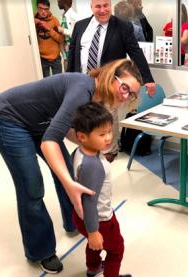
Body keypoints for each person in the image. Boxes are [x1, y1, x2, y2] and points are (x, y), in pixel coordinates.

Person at [0, 59, 142, 274]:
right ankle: (41, 251)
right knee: (32, 187)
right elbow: (50, 141)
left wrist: (94, 147)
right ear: (111, 77)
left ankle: (74, 222)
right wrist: (68, 181)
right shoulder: (82, 90)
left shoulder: (96, 98)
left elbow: (66, 128)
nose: (125, 96)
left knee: (69, 173)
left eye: (131, 94)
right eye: (124, 88)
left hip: (40, 122)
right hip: (9, 119)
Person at [67, 0, 155, 162]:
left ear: (110, 5)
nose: (102, 10)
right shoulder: (80, 26)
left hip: (108, 81)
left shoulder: (122, 26)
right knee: (85, 113)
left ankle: (110, 149)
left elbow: (136, 53)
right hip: (82, 79)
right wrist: (68, 79)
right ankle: (90, 144)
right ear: (91, 7)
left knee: (108, 115)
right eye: (98, 6)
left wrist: (148, 79)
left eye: (105, 5)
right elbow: (73, 53)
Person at [71, 102, 131, 277]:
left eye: (110, 131)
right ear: (82, 136)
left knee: (94, 245)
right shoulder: (93, 165)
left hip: (80, 215)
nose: (108, 138)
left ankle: (93, 267)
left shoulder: (78, 152)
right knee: (116, 250)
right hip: (100, 220)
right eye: (102, 134)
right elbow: (89, 201)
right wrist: (93, 231)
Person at [35, 0, 64, 77]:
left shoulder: (54, 20)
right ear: (37, 8)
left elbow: (60, 39)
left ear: (49, 9)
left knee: (58, 82)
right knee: (45, 84)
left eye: (46, 9)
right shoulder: (32, 21)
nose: (43, 12)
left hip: (55, 57)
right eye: (41, 9)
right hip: (41, 58)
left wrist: (49, 29)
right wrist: (34, 25)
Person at [56, 0, 79, 70]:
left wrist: (63, 30)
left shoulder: (74, 16)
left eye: (58, 1)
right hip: (65, 50)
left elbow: (77, 33)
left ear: (64, 2)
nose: (57, 3)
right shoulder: (63, 16)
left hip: (73, 49)